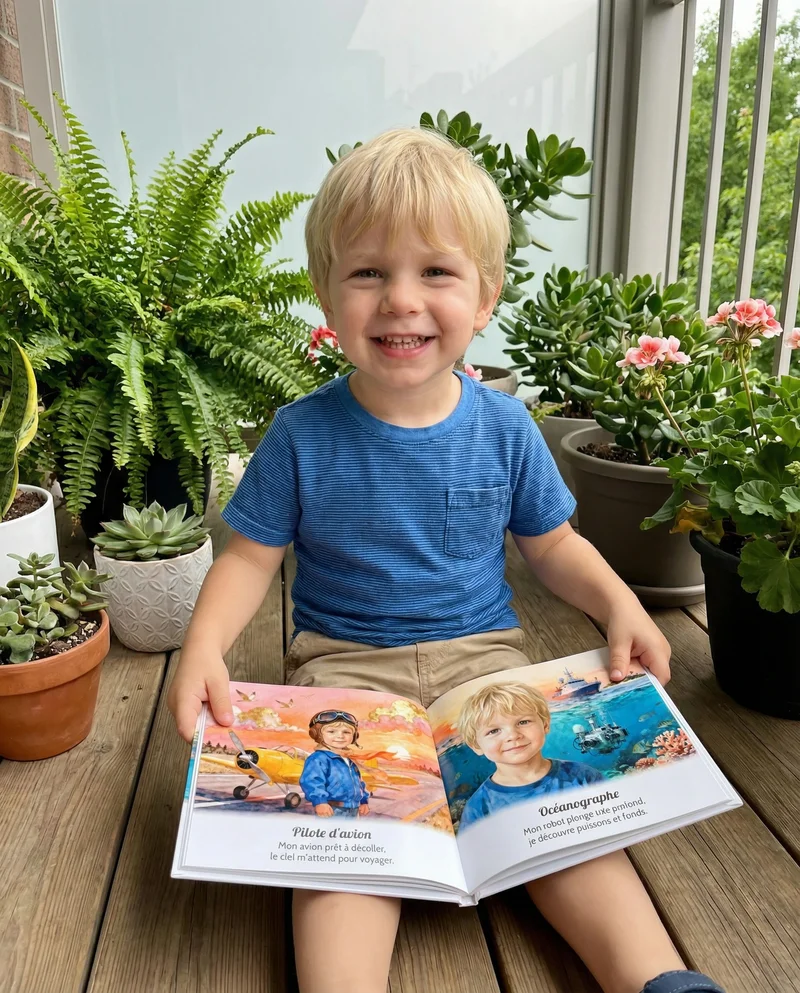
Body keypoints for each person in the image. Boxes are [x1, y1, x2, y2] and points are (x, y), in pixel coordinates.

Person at [167, 127, 726, 993]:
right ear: (325, 292)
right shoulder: (300, 433)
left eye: (436, 271)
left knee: (558, 814)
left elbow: (555, 545)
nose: (400, 300)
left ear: (486, 294)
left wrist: (620, 605)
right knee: (341, 847)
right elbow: (248, 557)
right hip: (343, 675)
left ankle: (654, 977)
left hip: (485, 666)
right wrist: (203, 647)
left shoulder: (507, 430)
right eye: (367, 272)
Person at [456, 681, 604, 831]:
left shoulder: (583, 776)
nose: (513, 736)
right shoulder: (478, 808)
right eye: (493, 731)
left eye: (523, 722)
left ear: (545, 724)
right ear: (476, 746)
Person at [299, 710, 370, 818]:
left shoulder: (349, 761)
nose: (340, 736)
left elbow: (359, 783)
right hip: (332, 810)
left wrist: (364, 801)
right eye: (331, 731)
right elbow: (312, 781)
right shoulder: (318, 758)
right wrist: (320, 802)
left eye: (346, 732)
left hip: (354, 810)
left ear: (354, 736)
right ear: (317, 734)